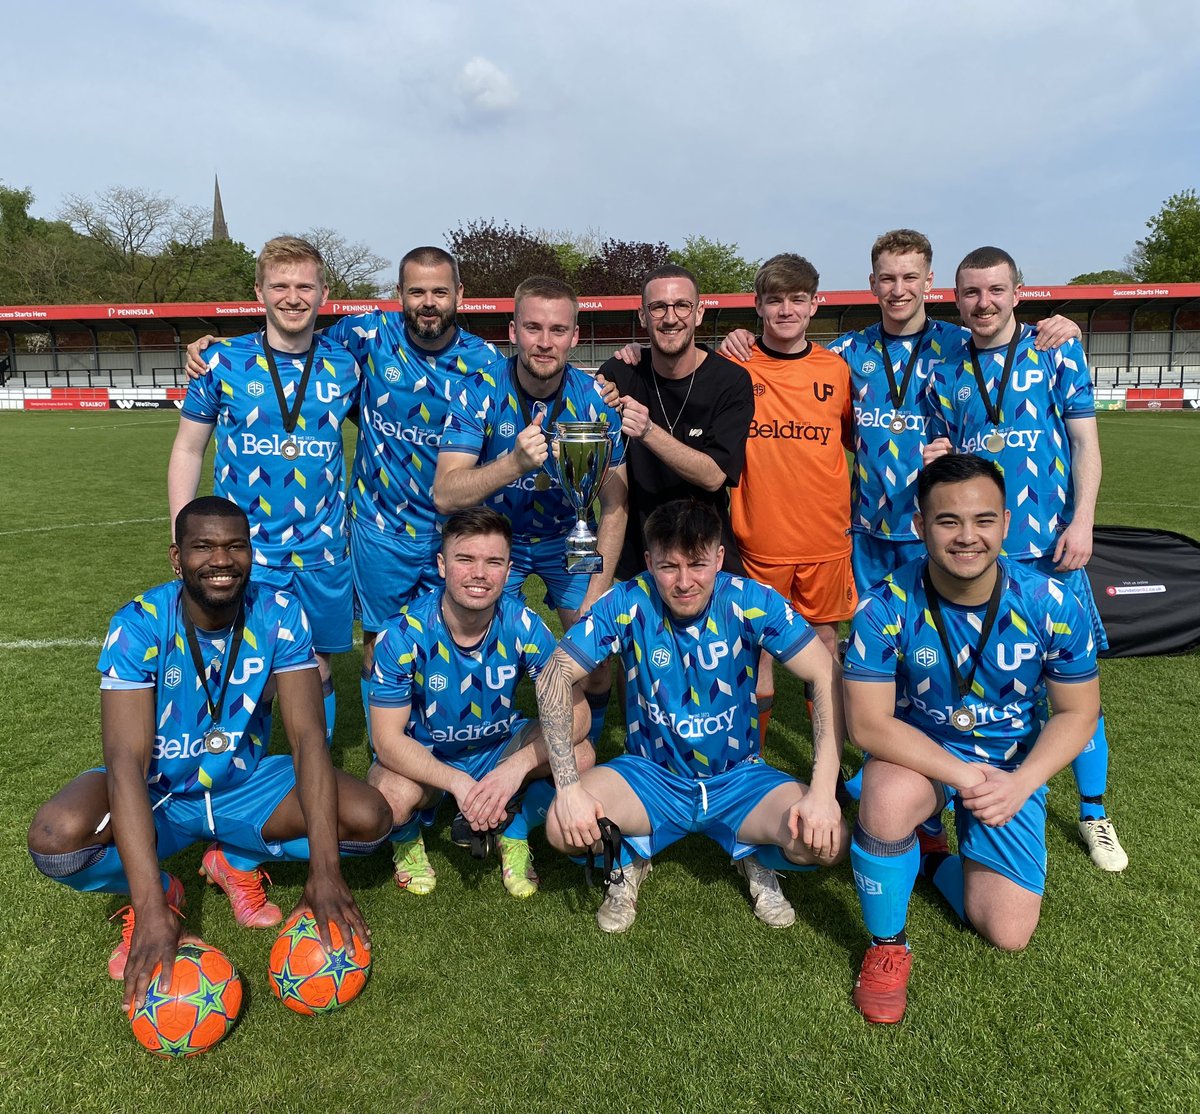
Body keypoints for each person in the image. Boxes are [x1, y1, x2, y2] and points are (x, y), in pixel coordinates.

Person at [26, 497, 391, 1010]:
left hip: (244, 784)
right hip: (161, 792)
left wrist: (326, 873)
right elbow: (125, 762)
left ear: (250, 552)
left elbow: (309, 740)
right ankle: (163, 889)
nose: (222, 560)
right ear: (177, 558)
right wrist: (151, 907)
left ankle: (235, 859)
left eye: (235, 546)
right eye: (204, 547)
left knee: (370, 817)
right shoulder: (139, 624)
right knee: (55, 839)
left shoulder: (279, 613)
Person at [184, 246, 504, 720]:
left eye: (440, 291)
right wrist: (214, 348)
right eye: (417, 291)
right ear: (399, 295)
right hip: (379, 528)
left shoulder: (487, 360)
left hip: (457, 526)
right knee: (378, 650)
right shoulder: (366, 334)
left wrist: (604, 384)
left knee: (458, 644)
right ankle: (382, 757)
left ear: (460, 294)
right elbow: (291, 337)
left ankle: (451, 744)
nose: (429, 301)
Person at [842, 455, 1100, 1023]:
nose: (967, 537)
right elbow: (867, 725)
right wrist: (964, 777)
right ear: (919, 524)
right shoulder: (884, 605)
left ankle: (930, 855)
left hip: (1012, 767)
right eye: (948, 521)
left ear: (1007, 522)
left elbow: (1079, 713)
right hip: (922, 756)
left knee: (1007, 932)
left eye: (983, 520)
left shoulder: (1050, 602)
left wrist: (1021, 783)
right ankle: (888, 947)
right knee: (885, 800)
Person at [534, 499, 848, 933]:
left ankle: (753, 852)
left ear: (719, 558)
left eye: (698, 564)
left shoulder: (750, 600)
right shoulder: (628, 599)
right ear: (648, 561)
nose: (684, 582)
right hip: (649, 776)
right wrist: (567, 787)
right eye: (668, 567)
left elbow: (825, 673)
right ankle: (629, 858)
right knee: (559, 827)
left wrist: (823, 790)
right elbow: (553, 673)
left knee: (827, 843)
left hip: (739, 777)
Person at [924, 246, 1126, 872]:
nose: (982, 303)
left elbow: (1084, 442)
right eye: (970, 293)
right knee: (988, 683)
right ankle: (976, 799)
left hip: (1047, 552)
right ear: (955, 298)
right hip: (974, 557)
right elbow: (942, 451)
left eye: (995, 290)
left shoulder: (1055, 349)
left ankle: (1094, 814)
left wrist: (1083, 520)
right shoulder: (945, 362)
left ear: (1018, 292)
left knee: (1072, 687)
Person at [169, 236, 360, 746]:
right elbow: (189, 449)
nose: (292, 297)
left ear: (324, 293)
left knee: (316, 667)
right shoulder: (221, 361)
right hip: (243, 548)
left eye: (304, 286)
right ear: (259, 291)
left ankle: (313, 779)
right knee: (243, 666)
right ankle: (238, 778)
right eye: (280, 285)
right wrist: (183, 534)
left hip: (322, 551)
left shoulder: (347, 365)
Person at [433, 276, 628, 742]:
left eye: (558, 330)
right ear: (513, 331)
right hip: (501, 542)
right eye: (533, 328)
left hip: (569, 539)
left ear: (575, 337)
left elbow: (616, 505)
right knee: (483, 659)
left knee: (596, 659)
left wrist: (598, 590)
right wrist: (513, 464)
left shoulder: (596, 401)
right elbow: (445, 494)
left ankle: (588, 749)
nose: (545, 342)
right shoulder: (476, 391)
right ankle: (483, 750)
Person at [367, 507, 593, 898]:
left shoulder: (524, 624)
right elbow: (386, 740)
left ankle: (515, 830)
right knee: (388, 797)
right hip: (430, 753)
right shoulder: (403, 634)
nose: (479, 574)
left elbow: (579, 714)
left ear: (507, 571)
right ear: (441, 564)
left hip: (498, 748)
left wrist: (515, 769)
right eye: (465, 559)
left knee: (582, 754)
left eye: (493, 562)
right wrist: (459, 784)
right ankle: (407, 842)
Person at [598, 264, 754, 581]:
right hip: (639, 559)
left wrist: (647, 431)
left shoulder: (731, 381)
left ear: (699, 313)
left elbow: (713, 476)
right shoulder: (621, 373)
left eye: (682, 305)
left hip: (707, 556)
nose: (671, 318)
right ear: (643, 316)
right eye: (658, 307)